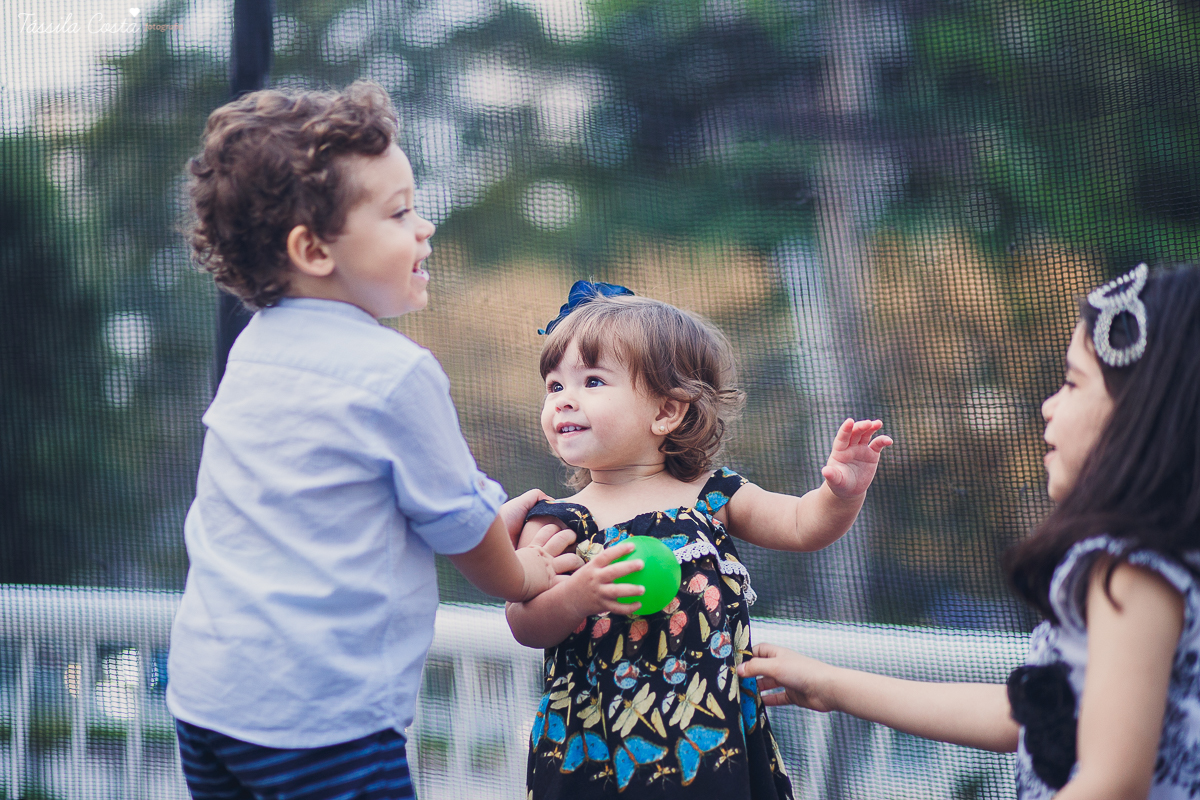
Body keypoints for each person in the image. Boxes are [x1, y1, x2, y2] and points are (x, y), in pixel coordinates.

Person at [166, 81, 580, 800]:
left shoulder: (255, 348)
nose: (424, 229)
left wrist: (482, 527)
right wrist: (523, 574)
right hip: (320, 725)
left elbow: (336, 510)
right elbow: (459, 525)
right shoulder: (395, 373)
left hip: (207, 700)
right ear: (312, 248)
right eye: (398, 213)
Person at [739, 264, 1200, 800]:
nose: (1050, 405)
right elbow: (1029, 715)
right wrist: (831, 685)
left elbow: (1112, 782)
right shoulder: (1157, 560)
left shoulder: (1131, 570)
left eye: (1073, 382)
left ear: (1141, 413)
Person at [505, 282, 893, 799]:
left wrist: (840, 492)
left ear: (667, 411)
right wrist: (579, 595)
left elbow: (802, 525)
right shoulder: (558, 522)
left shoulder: (713, 495)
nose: (563, 401)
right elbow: (524, 622)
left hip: (710, 740)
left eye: (593, 381)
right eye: (554, 387)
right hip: (598, 749)